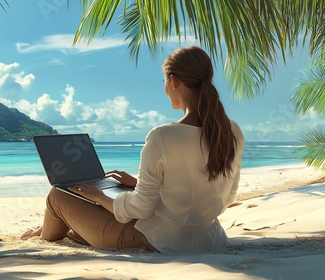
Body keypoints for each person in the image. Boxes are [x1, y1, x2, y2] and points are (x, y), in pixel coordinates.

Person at [22, 46, 245, 253]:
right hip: (211, 237)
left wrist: (100, 196)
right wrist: (138, 185)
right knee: (113, 200)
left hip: (161, 241)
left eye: (165, 81)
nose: (165, 88)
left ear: (174, 81)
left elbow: (140, 209)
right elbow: (224, 196)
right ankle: (57, 229)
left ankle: (46, 236)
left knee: (57, 196)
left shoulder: (162, 136)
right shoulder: (232, 131)